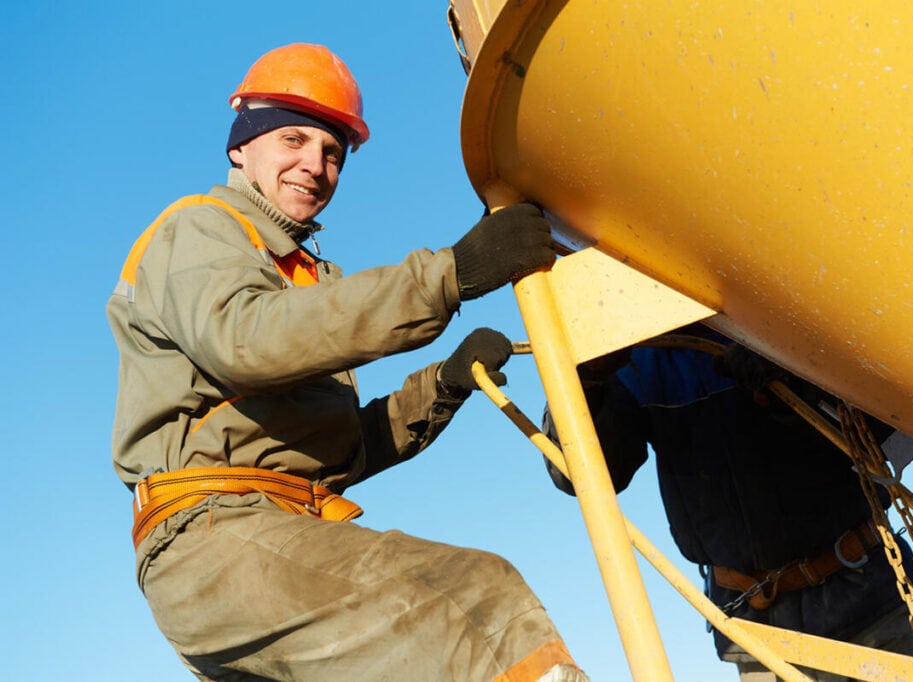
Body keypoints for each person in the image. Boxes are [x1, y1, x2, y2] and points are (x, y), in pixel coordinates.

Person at [107, 43, 588, 682]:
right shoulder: (200, 231)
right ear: (241, 145)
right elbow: (244, 341)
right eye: (294, 140)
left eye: (332, 153)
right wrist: (449, 275)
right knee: (472, 603)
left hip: (276, 532)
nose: (315, 164)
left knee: (464, 607)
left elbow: (334, 452)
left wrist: (441, 385)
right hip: (212, 537)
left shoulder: (303, 278)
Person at [543, 323, 913, 681]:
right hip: (756, 634)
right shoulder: (637, 357)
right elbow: (577, 474)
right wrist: (584, 381)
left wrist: (799, 377)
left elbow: (884, 424)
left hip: (864, 601)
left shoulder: (780, 304)